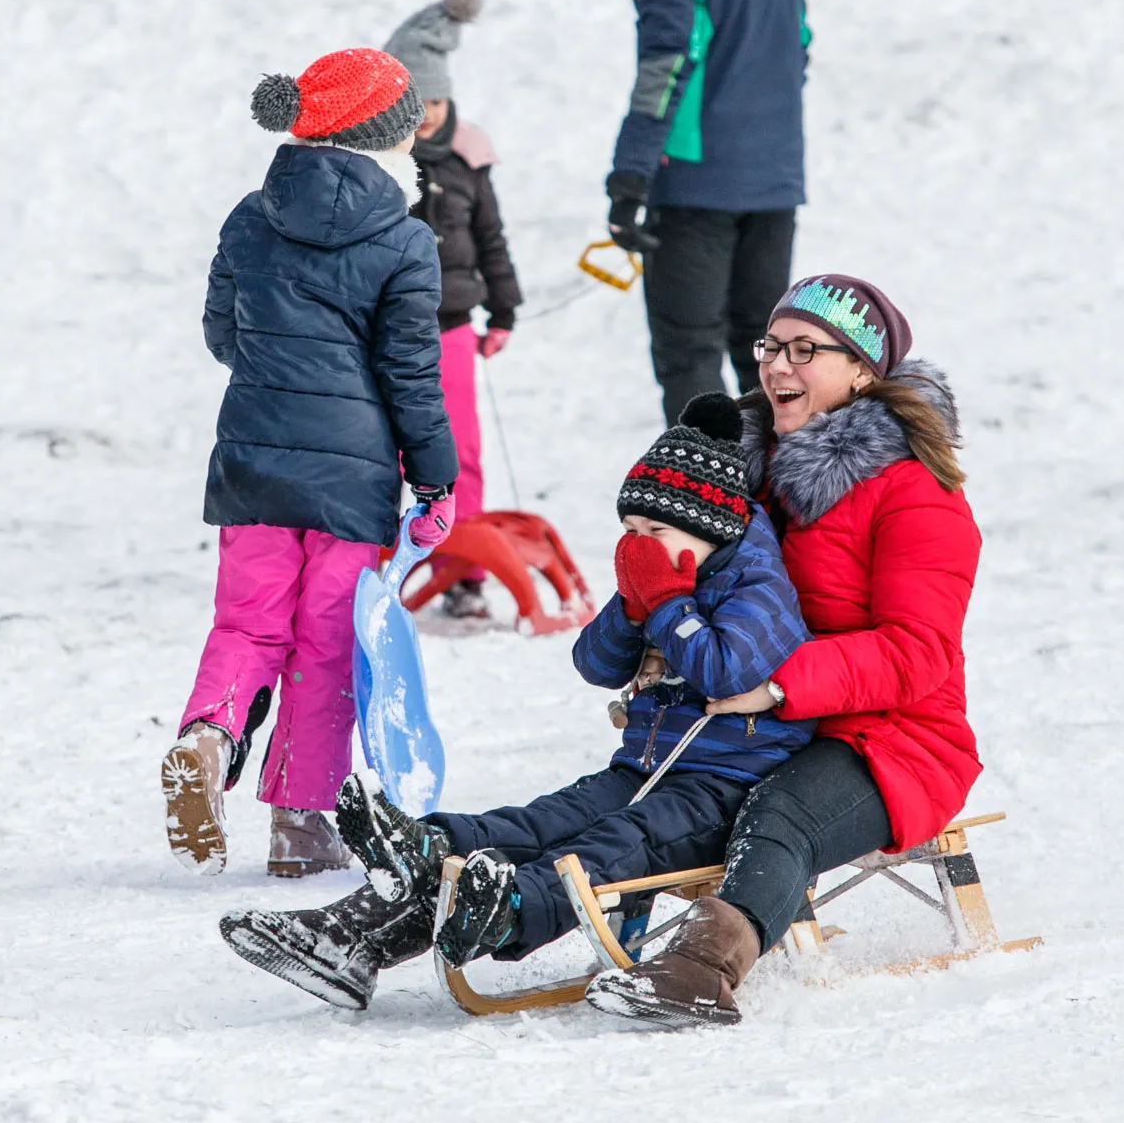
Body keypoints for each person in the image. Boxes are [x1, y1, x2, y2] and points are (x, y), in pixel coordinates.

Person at [217, 393, 813, 1008]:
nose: (638, 545)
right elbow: (595, 664)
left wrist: (665, 604)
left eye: (653, 532)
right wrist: (637, 604)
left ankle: (512, 911)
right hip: (646, 766)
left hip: (723, 788)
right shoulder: (670, 572)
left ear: (707, 528)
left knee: (608, 847)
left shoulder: (758, 586)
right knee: (535, 823)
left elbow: (724, 672)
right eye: (630, 531)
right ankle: (374, 908)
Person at [586, 274, 983, 1027]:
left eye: (806, 350)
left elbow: (916, 652)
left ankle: (702, 969)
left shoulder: (917, 494)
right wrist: (660, 636)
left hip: (893, 739)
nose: (776, 366)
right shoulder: (752, 472)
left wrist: (775, 687)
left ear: (862, 371)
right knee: (647, 798)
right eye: (771, 346)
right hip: (762, 729)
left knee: (780, 813)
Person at [161, 49, 459, 880]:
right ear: (393, 135)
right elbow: (411, 373)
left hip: (252, 466)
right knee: (327, 647)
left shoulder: (251, 216)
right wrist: (435, 476)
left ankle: (208, 740)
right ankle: (300, 826)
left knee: (247, 625)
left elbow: (225, 334)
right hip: (352, 481)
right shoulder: (403, 239)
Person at [604, 0, 811, 425]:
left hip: (696, 187)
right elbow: (799, 46)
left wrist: (632, 171)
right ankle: (782, 493)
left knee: (690, 352)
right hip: (774, 181)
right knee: (765, 352)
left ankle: (709, 497)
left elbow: (668, 66)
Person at [383, 0, 524, 618]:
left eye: (438, 98)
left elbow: (490, 237)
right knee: (387, 448)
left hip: (452, 331)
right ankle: (379, 567)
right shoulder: (379, 165)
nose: (431, 113)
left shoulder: (468, 160)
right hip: (388, 332)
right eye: (417, 101)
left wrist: (504, 309)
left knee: (458, 449)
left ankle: (462, 571)